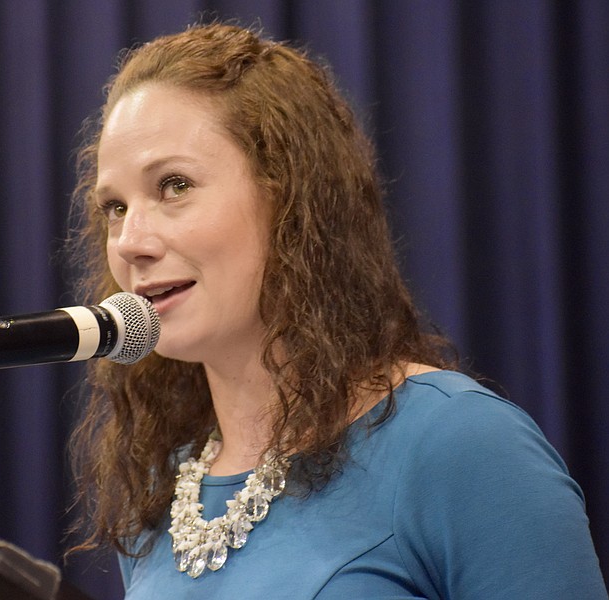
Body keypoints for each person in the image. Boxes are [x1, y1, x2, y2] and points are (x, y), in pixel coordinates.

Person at [66, 23, 607, 599]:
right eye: (115, 208)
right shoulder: (161, 491)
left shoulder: (460, 444)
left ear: (291, 200)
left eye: (174, 185)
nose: (130, 242)